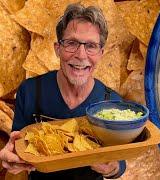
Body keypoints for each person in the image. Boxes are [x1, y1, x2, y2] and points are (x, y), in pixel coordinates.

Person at [0, 3, 126, 180]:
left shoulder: (112, 103)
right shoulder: (29, 92)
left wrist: (112, 169)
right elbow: (18, 147)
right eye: (71, 43)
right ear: (57, 49)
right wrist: (12, 160)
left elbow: (119, 162)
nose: (81, 55)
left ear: (100, 54)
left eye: (91, 46)